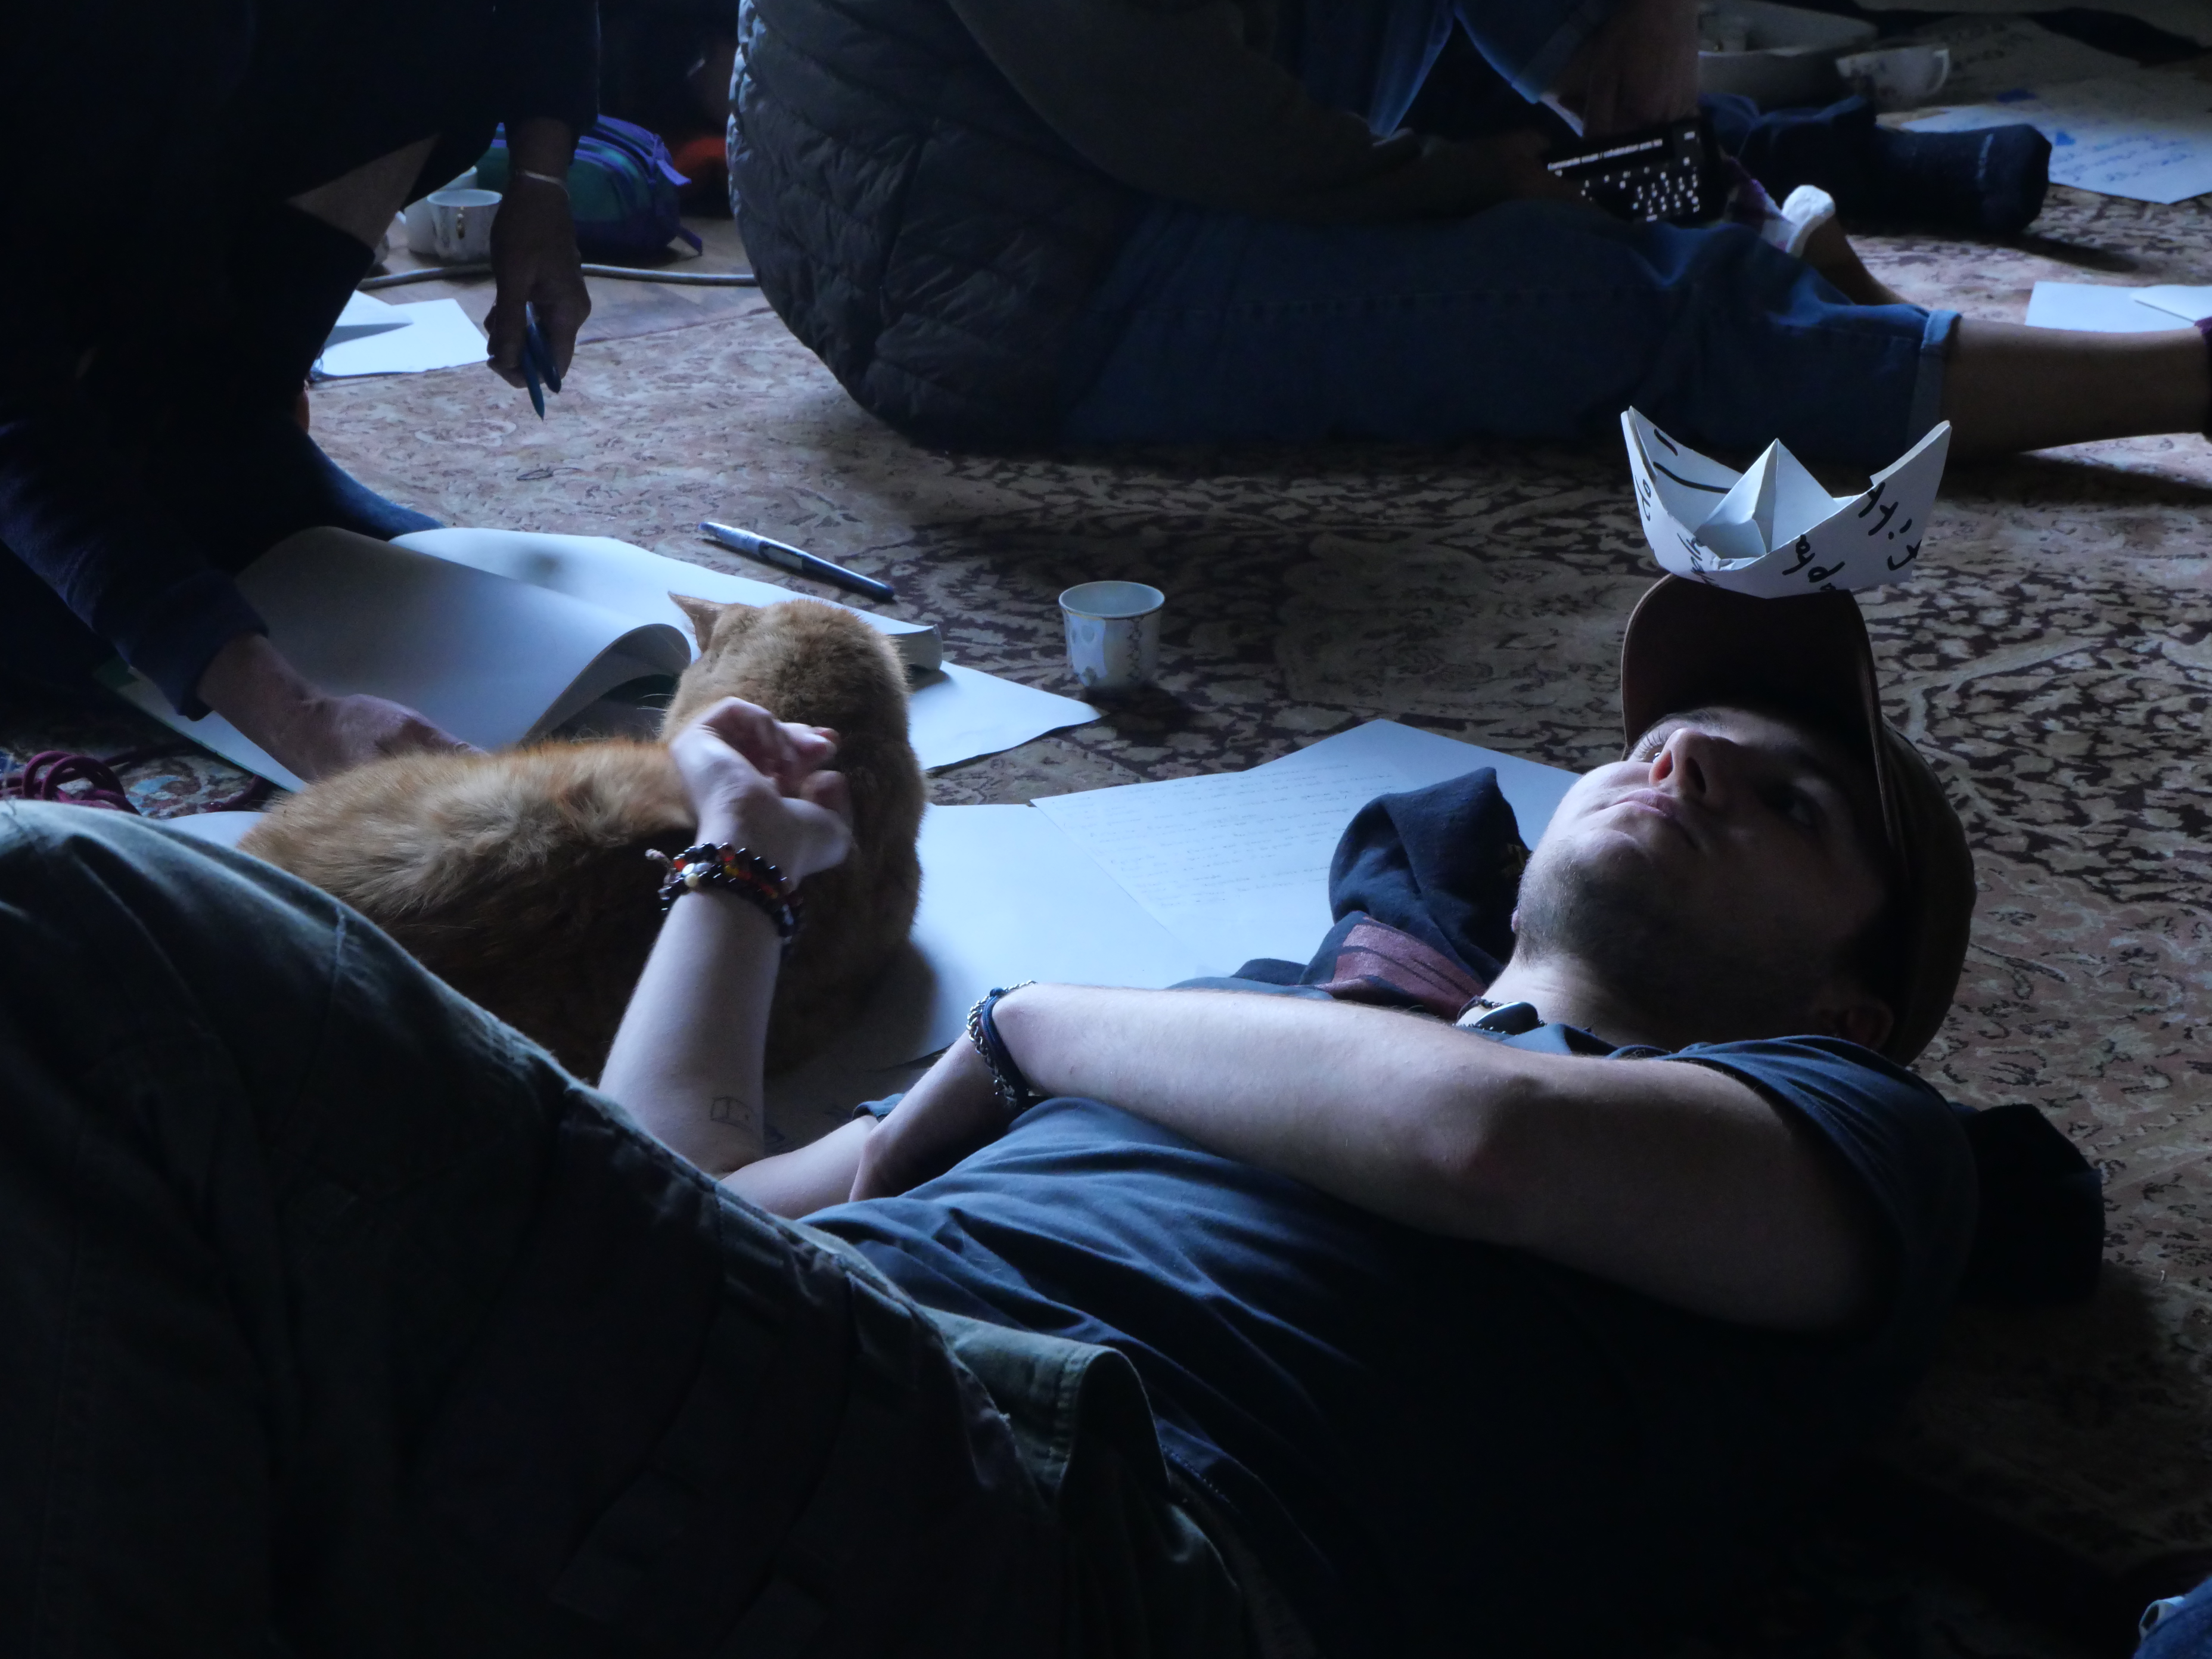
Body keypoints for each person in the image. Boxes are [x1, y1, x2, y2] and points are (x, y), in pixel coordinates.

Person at [2, 577, 2098, 1655]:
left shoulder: (1857, 1133)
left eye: (1787, 799)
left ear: (1850, 1002)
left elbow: (1492, 1146)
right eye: (1668, 738)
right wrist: (744, 866)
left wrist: (1028, 1030)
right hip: (756, 1431)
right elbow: (689, 1190)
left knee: (70, 918)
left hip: (1078, 1525)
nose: (1687, 761)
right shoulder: (1249, 1026)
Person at [728, 0, 2212, 463]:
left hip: (1125, 153)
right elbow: (1186, 121)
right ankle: (2183, 377)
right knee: (1588, 296)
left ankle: (1740, 213)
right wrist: (1473, 183)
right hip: (1003, 281)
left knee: (1582, 167)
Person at [0, 0, 597, 783]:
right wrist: (299, 717)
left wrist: (540, 183)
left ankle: (225, 434)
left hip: (174, 360)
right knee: (70, 627)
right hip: (32, 436)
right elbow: (21, 431)